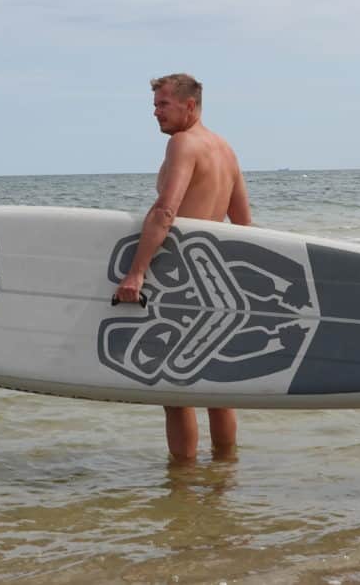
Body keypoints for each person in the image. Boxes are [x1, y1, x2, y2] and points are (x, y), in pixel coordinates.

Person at [115, 73, 252, 461]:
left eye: (163, 104)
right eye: (155, 105)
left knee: (176, 393)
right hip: (213, 280)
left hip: (179, 281)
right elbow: (243, 224)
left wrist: (137, 271)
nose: (155, 112)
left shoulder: (183, 143)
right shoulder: (225, 149)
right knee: (216, 389)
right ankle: (225, 476)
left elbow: (166, 210)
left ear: (188, 105)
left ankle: (182, 484)